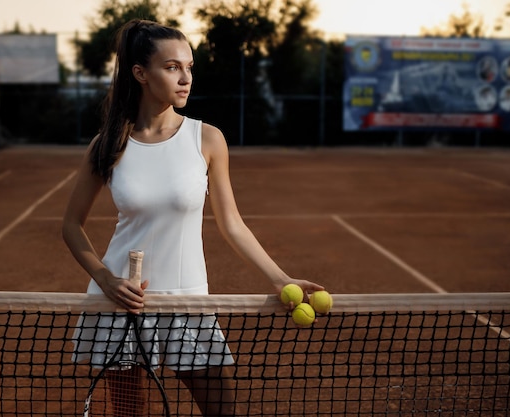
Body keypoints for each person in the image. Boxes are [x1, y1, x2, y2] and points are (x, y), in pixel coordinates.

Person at [62, 19, 325, 416]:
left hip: (187, 301)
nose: (185, 78)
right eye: (172, 67)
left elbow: (231, 223)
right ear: (140, 74)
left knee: (222, 412)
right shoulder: (109, 144)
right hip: (121, 303)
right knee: (131, 414)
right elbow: (71, 225)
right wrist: (106, 279)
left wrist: (280, 278)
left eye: (189, 67)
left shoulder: (207, 138)